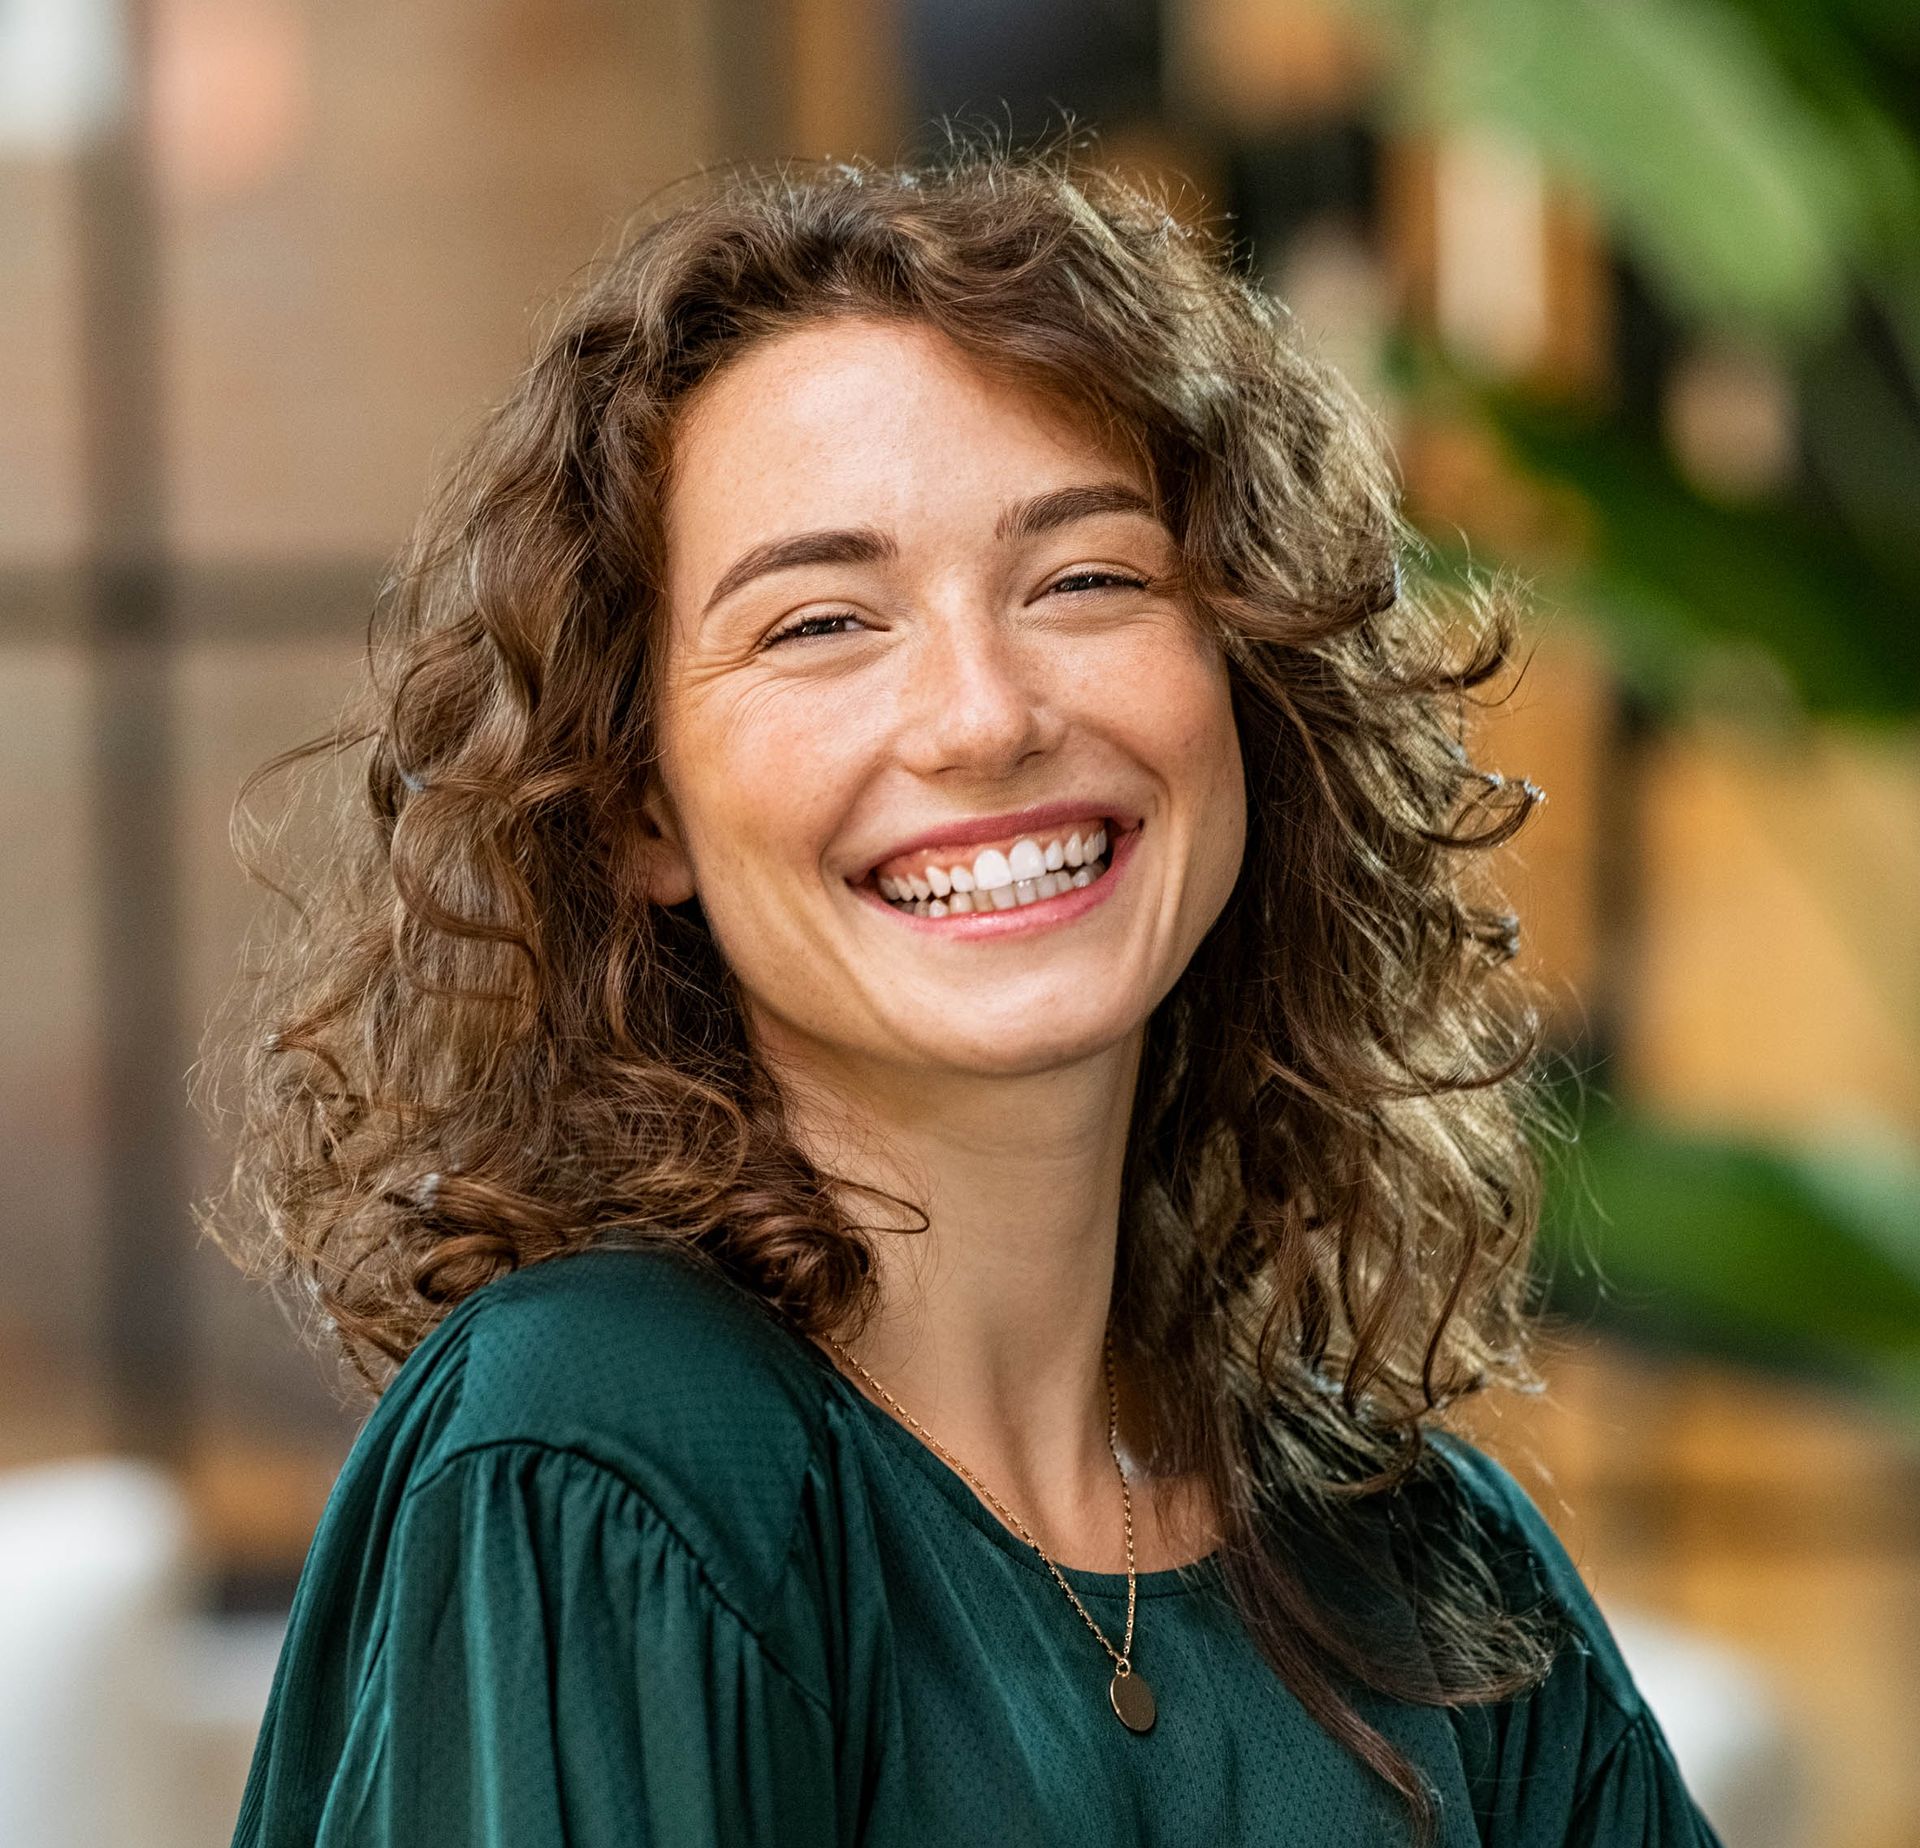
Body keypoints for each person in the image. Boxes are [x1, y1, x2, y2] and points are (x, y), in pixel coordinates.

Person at [205, 143, 1726, 1847]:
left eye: (1085, 580)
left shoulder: (1425, 1569)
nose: (984, 716)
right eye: (822, 623)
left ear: (1246, 685)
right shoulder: (602, 1452)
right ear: (641, 806)